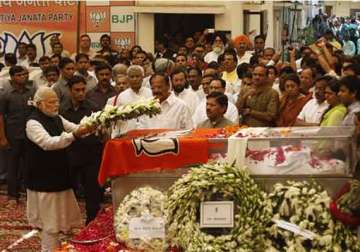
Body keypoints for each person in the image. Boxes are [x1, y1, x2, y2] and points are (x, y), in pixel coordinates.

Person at [25, 87, 93, 251]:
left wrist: (93, 124)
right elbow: (48, 143)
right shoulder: (32, 123)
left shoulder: (57, 118)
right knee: (50, 223)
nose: (56, 105)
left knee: (58, 222)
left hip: (59, 176)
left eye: (57, 101)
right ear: (40, 104)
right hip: (43, 180)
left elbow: (75, 128)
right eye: (51, 102)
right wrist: (75, 135)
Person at [60, 76, 103, 224]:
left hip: (90, 156)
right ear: (69, 91)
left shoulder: (94, 109)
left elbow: (100, 133)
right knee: (66, 191)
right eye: (77, 90)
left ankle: (92, 222)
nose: (80, 93)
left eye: (83, 90)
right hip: (69, 156)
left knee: (92, 192)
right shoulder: (61, 110)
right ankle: (67, 221)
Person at [0, 66, 36, 202]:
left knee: (29, 165)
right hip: (12, 135)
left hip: (29, 135)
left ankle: (29, 193)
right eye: (20, 75)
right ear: (12, 77)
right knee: (13, 166)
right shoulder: (6, 95)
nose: (23, 77)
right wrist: (2, 137)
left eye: (25, 74)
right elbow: (1, 117)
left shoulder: (32, 92)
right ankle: (12, 196)